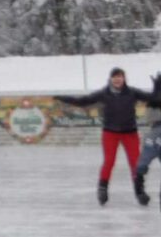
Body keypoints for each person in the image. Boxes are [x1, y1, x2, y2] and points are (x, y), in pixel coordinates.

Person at [58, 69, 149, 205]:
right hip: (110, 132)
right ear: (111, 79)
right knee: (109, 161)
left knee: (135, 162)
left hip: (130, 133)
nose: (117, 80)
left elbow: (152, 98)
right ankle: (102, 189)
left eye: (120, 77)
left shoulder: (132, 92)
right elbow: (84, 101)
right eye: (115, 77)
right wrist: (65, 98)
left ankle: (139, 191)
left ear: (124, 79)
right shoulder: (104, 93)